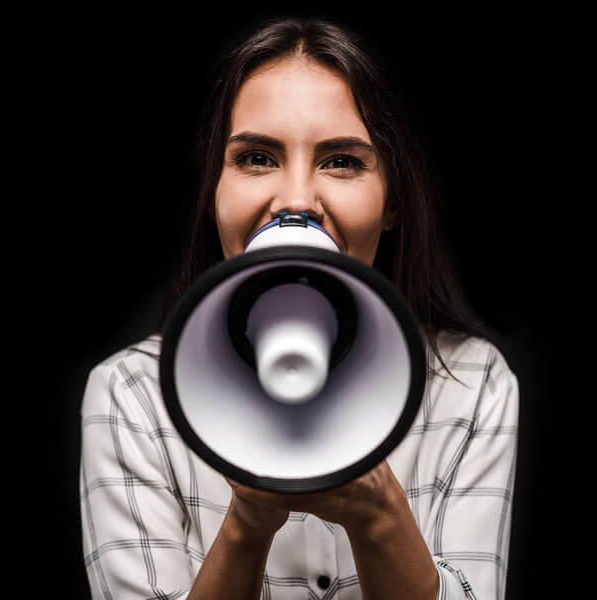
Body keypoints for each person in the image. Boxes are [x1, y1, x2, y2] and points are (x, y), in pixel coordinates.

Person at [80, 17, 518, 600]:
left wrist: (378, 512)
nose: (294, 202)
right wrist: (249, 519)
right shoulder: (131, 394)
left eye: (341, 161)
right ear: (215, 190)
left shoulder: (472, 385)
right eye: (257, 158)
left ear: (392, 201)